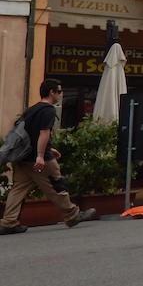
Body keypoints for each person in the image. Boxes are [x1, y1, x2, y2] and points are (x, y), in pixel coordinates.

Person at [1, 79, 96, 235]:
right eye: (59, 91)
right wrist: (40, 155)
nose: (61, 94)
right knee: (57, 185)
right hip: (40, 159)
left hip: (22, 158)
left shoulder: (31, 110)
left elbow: (28, 134)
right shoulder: (48, 110)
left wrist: (49, 147)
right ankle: (72, 215)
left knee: (18, 189)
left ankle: (9, 222)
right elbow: (43, 133)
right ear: (51, 92)